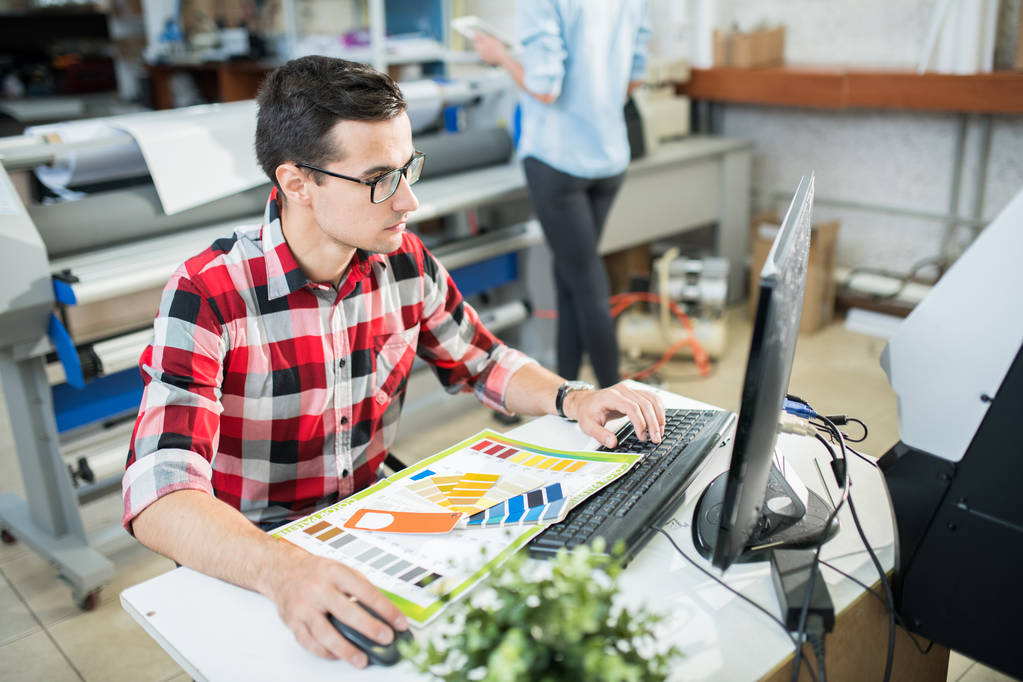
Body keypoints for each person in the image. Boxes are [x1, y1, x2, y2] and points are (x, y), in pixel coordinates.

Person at [122, 55, 664, 669]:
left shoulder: (402, 260)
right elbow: (159, 495)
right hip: (257, 552)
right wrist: (282, 571)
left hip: (371, 524)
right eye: (380, 177)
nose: (408, 199)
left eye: (408, 167)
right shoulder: (208, 292)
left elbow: (484, 361)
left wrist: (574, 397)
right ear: (298, 182)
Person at [473, 0, 651, 389]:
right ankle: (567, 393)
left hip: (558, 159)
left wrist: (499, 55)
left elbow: (545, 88)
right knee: (570, 273)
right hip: (609, 156)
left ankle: (616, 401)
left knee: (585, 280)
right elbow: (635, 78)